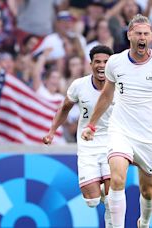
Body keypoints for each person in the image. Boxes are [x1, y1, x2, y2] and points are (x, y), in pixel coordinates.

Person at [81, 14, 152, 228]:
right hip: (120, 130)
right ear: (129, 35)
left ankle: (145, 222)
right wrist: (92, 124)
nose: (142, 37)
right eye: (138, 33)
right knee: (118, 179)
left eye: (146, 34)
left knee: (147, 191)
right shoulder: (116, 62)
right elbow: (106, 96)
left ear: (151, 37)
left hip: (149, 136)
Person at [42, 45, 114, 227]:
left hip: (112, 143)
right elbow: (64, 108)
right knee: (92, 200)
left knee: (112, 199)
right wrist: (52, 132)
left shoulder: (120, 86)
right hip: (87, 145)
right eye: (97, 62)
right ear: (90, 64)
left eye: (106, 62)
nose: (101, 65)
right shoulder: (79, 85)